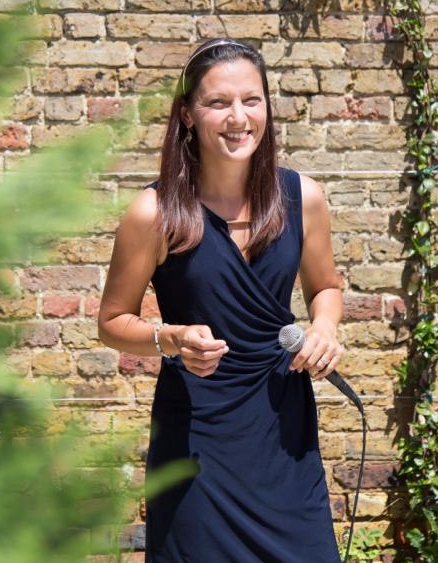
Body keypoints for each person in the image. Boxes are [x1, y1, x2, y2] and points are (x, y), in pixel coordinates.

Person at [98, 38, 344, 563]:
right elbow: (112, 322)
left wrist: (324, 327)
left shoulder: (305, 199)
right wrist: (169, 337)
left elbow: (325, 287)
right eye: (218, 103)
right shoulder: (154, 212)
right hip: (196, 442)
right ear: (188, 115)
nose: (239, 118)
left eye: (251, 100)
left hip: (284, 435)